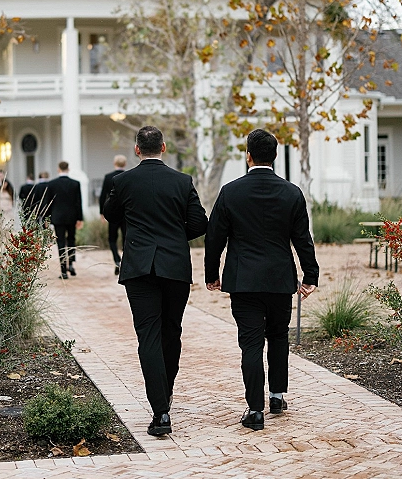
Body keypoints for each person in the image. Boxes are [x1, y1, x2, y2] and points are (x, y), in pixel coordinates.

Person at [204, 128, 319, 432]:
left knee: (251, 344)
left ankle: (255, 410)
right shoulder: (291, 192)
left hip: (244, 281)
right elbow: (302, 239)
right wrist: (310, 275)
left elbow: (214, 237)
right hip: (280, 278)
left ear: (248, 156)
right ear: (276, 156)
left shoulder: (231, 191)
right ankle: (277, 397)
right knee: (278, 337)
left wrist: (211, 274)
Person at [103, 126, 207, 437]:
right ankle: (167, 389)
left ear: (137, 149)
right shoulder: (182, 181)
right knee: (172, 331)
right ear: (163, 147)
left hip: (139, 267)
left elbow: (109, 214)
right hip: (174, 266)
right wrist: (175, 238)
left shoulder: (122, 181)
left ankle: (160, 411)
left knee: (148, 335)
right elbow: (200, 223)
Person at [45, 162, 84, 279]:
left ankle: (63, 271)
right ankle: (71, 264)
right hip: (72, 216)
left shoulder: (52, 184)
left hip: (58, 217)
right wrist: (80, 218)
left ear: (58, 169)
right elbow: (78, 202)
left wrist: (47, 218)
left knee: (61, 242)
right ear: (68, 169)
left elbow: (48, 203)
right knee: (71, 240)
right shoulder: (75, 184)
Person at [99, 155, 127, 275]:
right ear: (124, 164)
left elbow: (103, 196)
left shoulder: (108, 177)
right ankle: (125, 262)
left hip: (113, 213)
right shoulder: (129, 176)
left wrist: (102, 212)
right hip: (127, 213)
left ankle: (117, 259)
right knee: (126, 239)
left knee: (112, 239)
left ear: (114, 162)